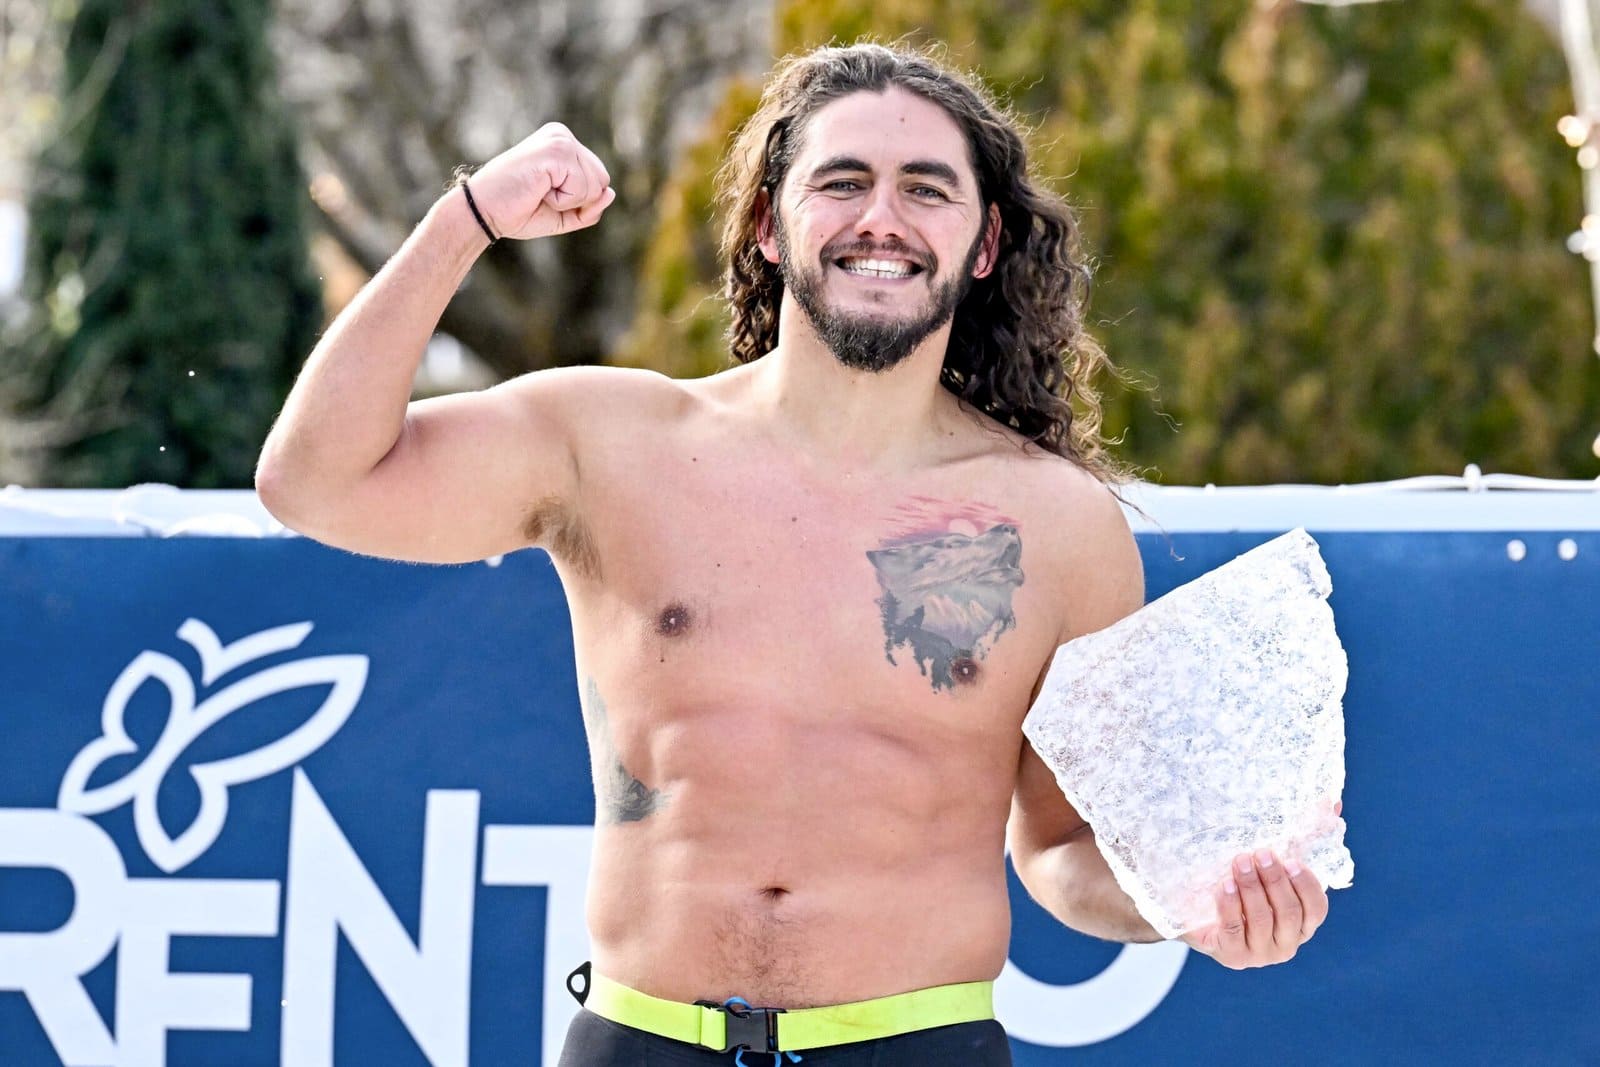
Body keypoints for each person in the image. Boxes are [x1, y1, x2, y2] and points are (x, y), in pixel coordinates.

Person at [256, 41, 1330, 1067]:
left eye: (926, 187)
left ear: (985, 243)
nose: (881, 217)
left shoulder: (1055, 525)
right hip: (640, 1042)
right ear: (770, 224)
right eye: (843, 180)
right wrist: (468, 219)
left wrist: (1187, 901)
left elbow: (1055, 848)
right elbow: (314, 481)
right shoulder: (612, 444)